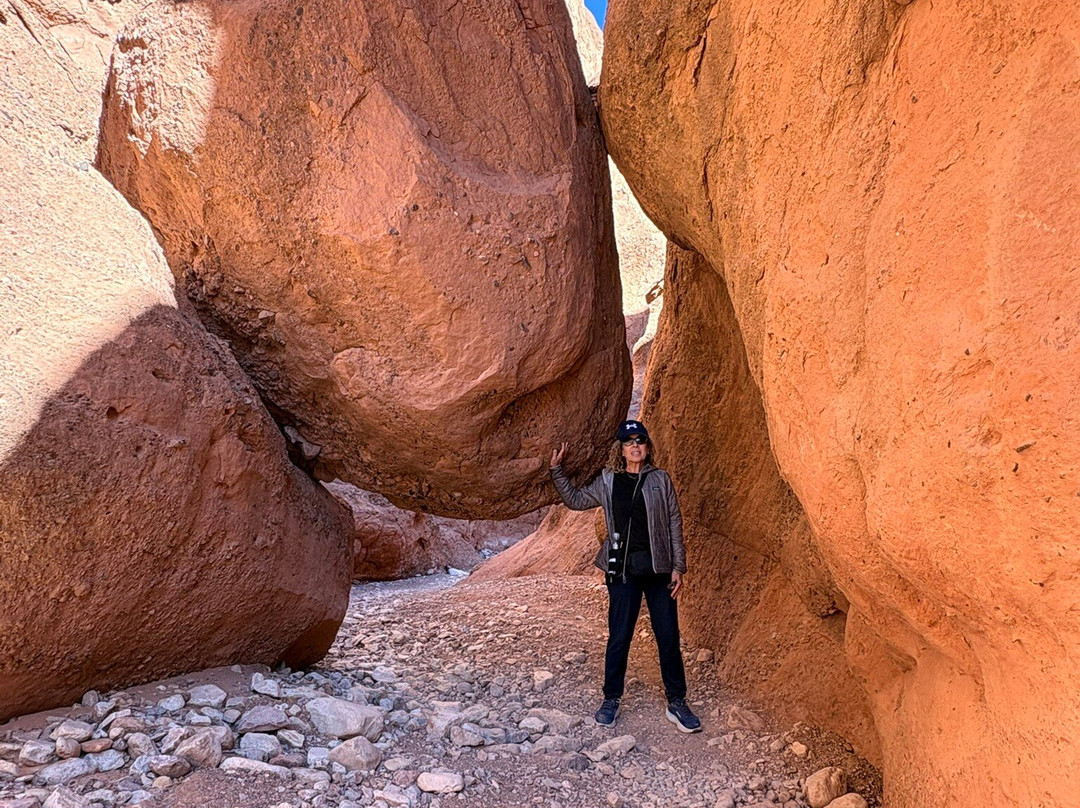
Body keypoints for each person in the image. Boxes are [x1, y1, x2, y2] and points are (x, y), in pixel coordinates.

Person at [549, 419, 701, 733]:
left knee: (668, 638)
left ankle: (677, 701)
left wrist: (678, 567)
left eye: (640, 440)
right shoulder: (608, 481)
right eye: (629, 441)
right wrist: (557, 472)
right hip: (622, 572)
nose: (635, 446)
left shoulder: (661, 480)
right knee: (620, 637)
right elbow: (576, 500)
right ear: (621, 449)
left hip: (658, 571)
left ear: (647, 447)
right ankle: (611, 699)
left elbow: (674, 522)